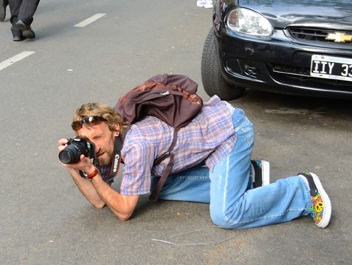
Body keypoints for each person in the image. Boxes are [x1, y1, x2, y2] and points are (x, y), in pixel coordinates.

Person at [58, 98, 331, 229]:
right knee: (152, 186)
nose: (92, 145)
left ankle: (301, 191)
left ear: (115, 129)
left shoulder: (136, 145)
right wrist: (76, 169)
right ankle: (249, 178)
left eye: (97, 137)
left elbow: (123, 212)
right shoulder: (111, 145)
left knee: (227, 215)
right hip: (208, 141)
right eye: (85, 140)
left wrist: (91, 172)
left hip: (229, 132)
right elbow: (99, 201)